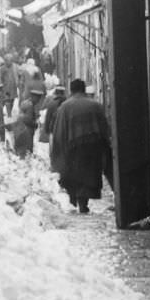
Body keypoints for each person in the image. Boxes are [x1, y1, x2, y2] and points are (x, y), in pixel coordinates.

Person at [49, 78, 112, 214]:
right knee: (88, 175)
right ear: (83, 90)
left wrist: (57, 153)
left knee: (74, 175)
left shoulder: (65, 107)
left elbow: (59, 132)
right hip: (93, 146)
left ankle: (74, 201)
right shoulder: (96, 105)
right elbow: (105, 129)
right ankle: (83, 203)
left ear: (71, 90)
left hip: (74, 148)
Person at [12, 86, 45, 157]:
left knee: (19, 152)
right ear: (34, 97)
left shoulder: (25, 102)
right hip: (26, 132)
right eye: (38, 98)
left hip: (19, 130)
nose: (39, 100)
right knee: (27, 153)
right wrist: (36, 125)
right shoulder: (30, 105)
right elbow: (28, 120)